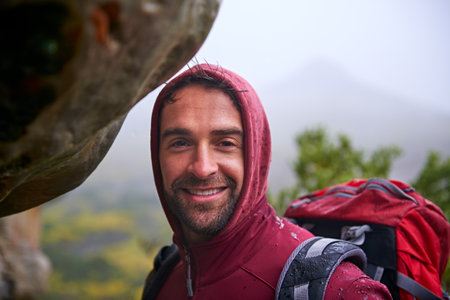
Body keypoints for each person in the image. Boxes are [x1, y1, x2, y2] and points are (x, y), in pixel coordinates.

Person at [143, 63, 392, 299]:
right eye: (180, 143)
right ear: (157, 156)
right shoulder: (163, 275)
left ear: (256, 156)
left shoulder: (340, 290)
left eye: (225, 143)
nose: (202, 168)